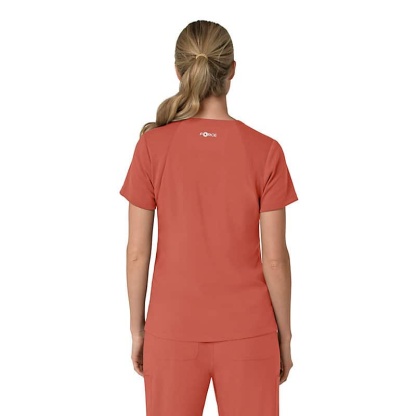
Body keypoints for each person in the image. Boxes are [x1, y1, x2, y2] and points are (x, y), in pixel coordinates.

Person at [119, 19, 298, 416]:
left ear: (178, 70)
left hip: (172, 331)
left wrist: (138, 330)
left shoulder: (151, 148)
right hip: (250, 334)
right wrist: (284, 337)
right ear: (232, 69)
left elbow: (136, 253)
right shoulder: (266, 151)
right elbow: (275, 259)